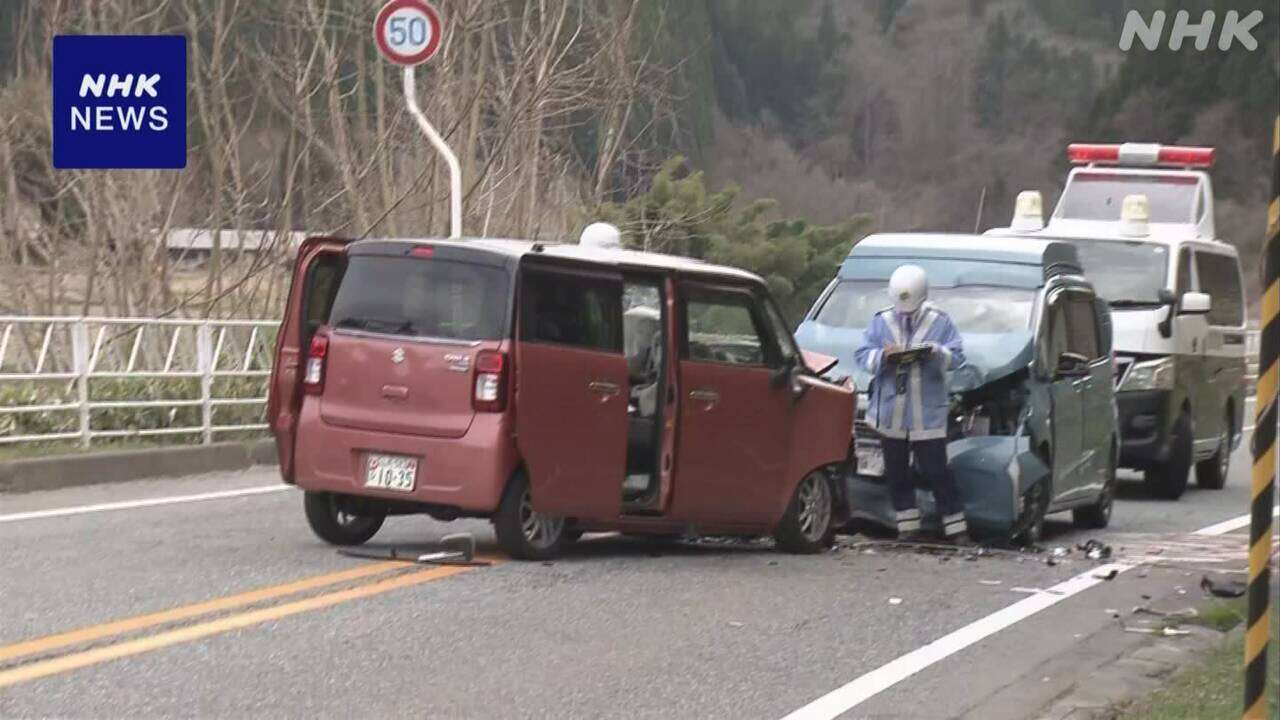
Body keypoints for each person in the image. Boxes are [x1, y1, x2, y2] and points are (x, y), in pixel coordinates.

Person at [854, 265, 969, 544]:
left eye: (911, 309)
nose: (905, 313)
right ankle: (907, 527)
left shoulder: (940, 321)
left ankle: (956, 527)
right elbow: (862, 355)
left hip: (926, 413)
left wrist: (936, 352)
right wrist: (883, 356)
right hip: (891, 412)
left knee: (937, 471)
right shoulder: (881, 321)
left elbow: (958, 357)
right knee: (896, 472)